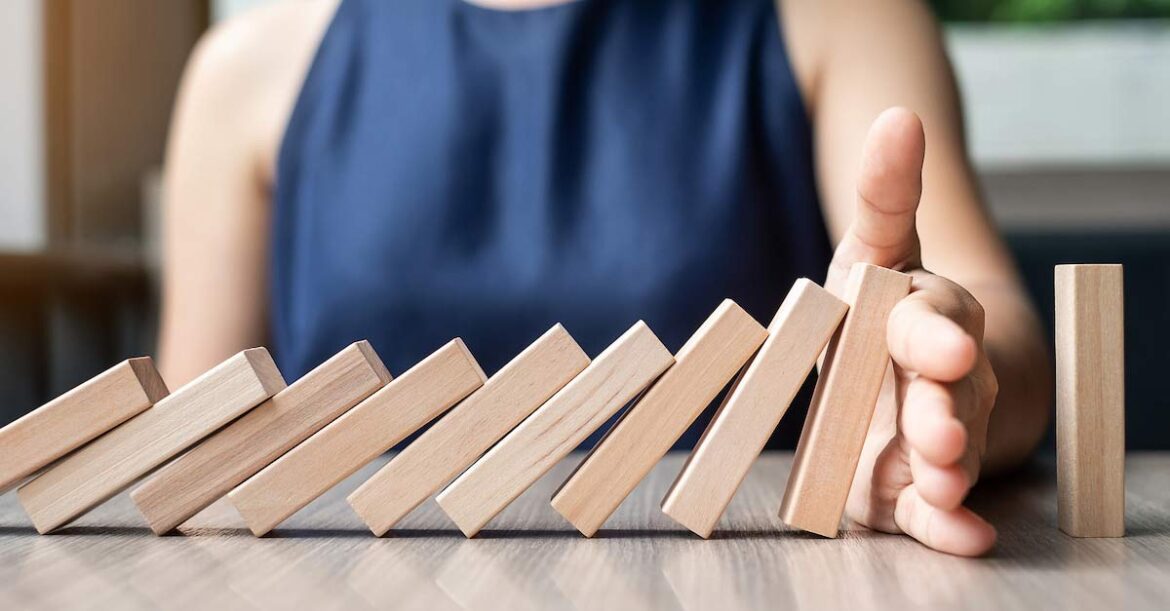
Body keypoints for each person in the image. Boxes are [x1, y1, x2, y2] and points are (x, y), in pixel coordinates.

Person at [158, 0, 1051, 556]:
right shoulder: (246, 71)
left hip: (738, 582)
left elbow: (996, 325)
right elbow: (189, 466)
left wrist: (938, 385)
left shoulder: (838, 16)